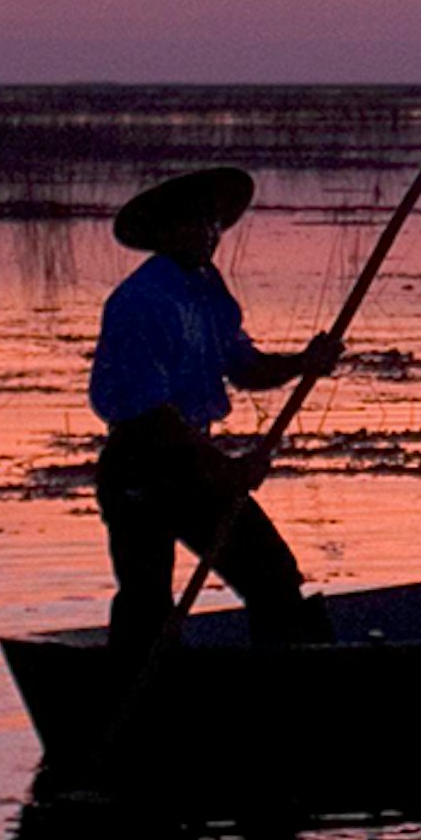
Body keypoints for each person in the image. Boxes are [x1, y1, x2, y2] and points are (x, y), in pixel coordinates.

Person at [89, 166, 342, 650]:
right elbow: (150, 414)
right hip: (140, 468)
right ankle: (132, 701)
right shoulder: (141, 302)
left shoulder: (205, 290)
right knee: (147, 601)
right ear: (165, 234)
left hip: (188, 461)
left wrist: (302, 363)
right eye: (192, 223)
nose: (206, 234)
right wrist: (224, 468)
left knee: (273, 578)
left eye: (211, 223)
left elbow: (243, 365)